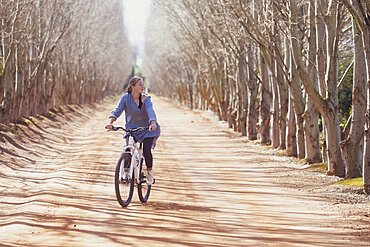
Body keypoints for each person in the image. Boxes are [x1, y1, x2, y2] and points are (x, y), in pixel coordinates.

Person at [105, 76, 160, 185]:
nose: (142, 86)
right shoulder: (125, 98)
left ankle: (149, 173)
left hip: (147, 129)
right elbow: (117, 111)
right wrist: (110, 122)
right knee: (127, 150)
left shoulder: (146, 99)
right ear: (132, 86)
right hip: (132, 129)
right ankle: (126, 174)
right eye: (140, 84)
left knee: (146, 149)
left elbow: (150, 111)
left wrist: (152, 122)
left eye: (142, 84)